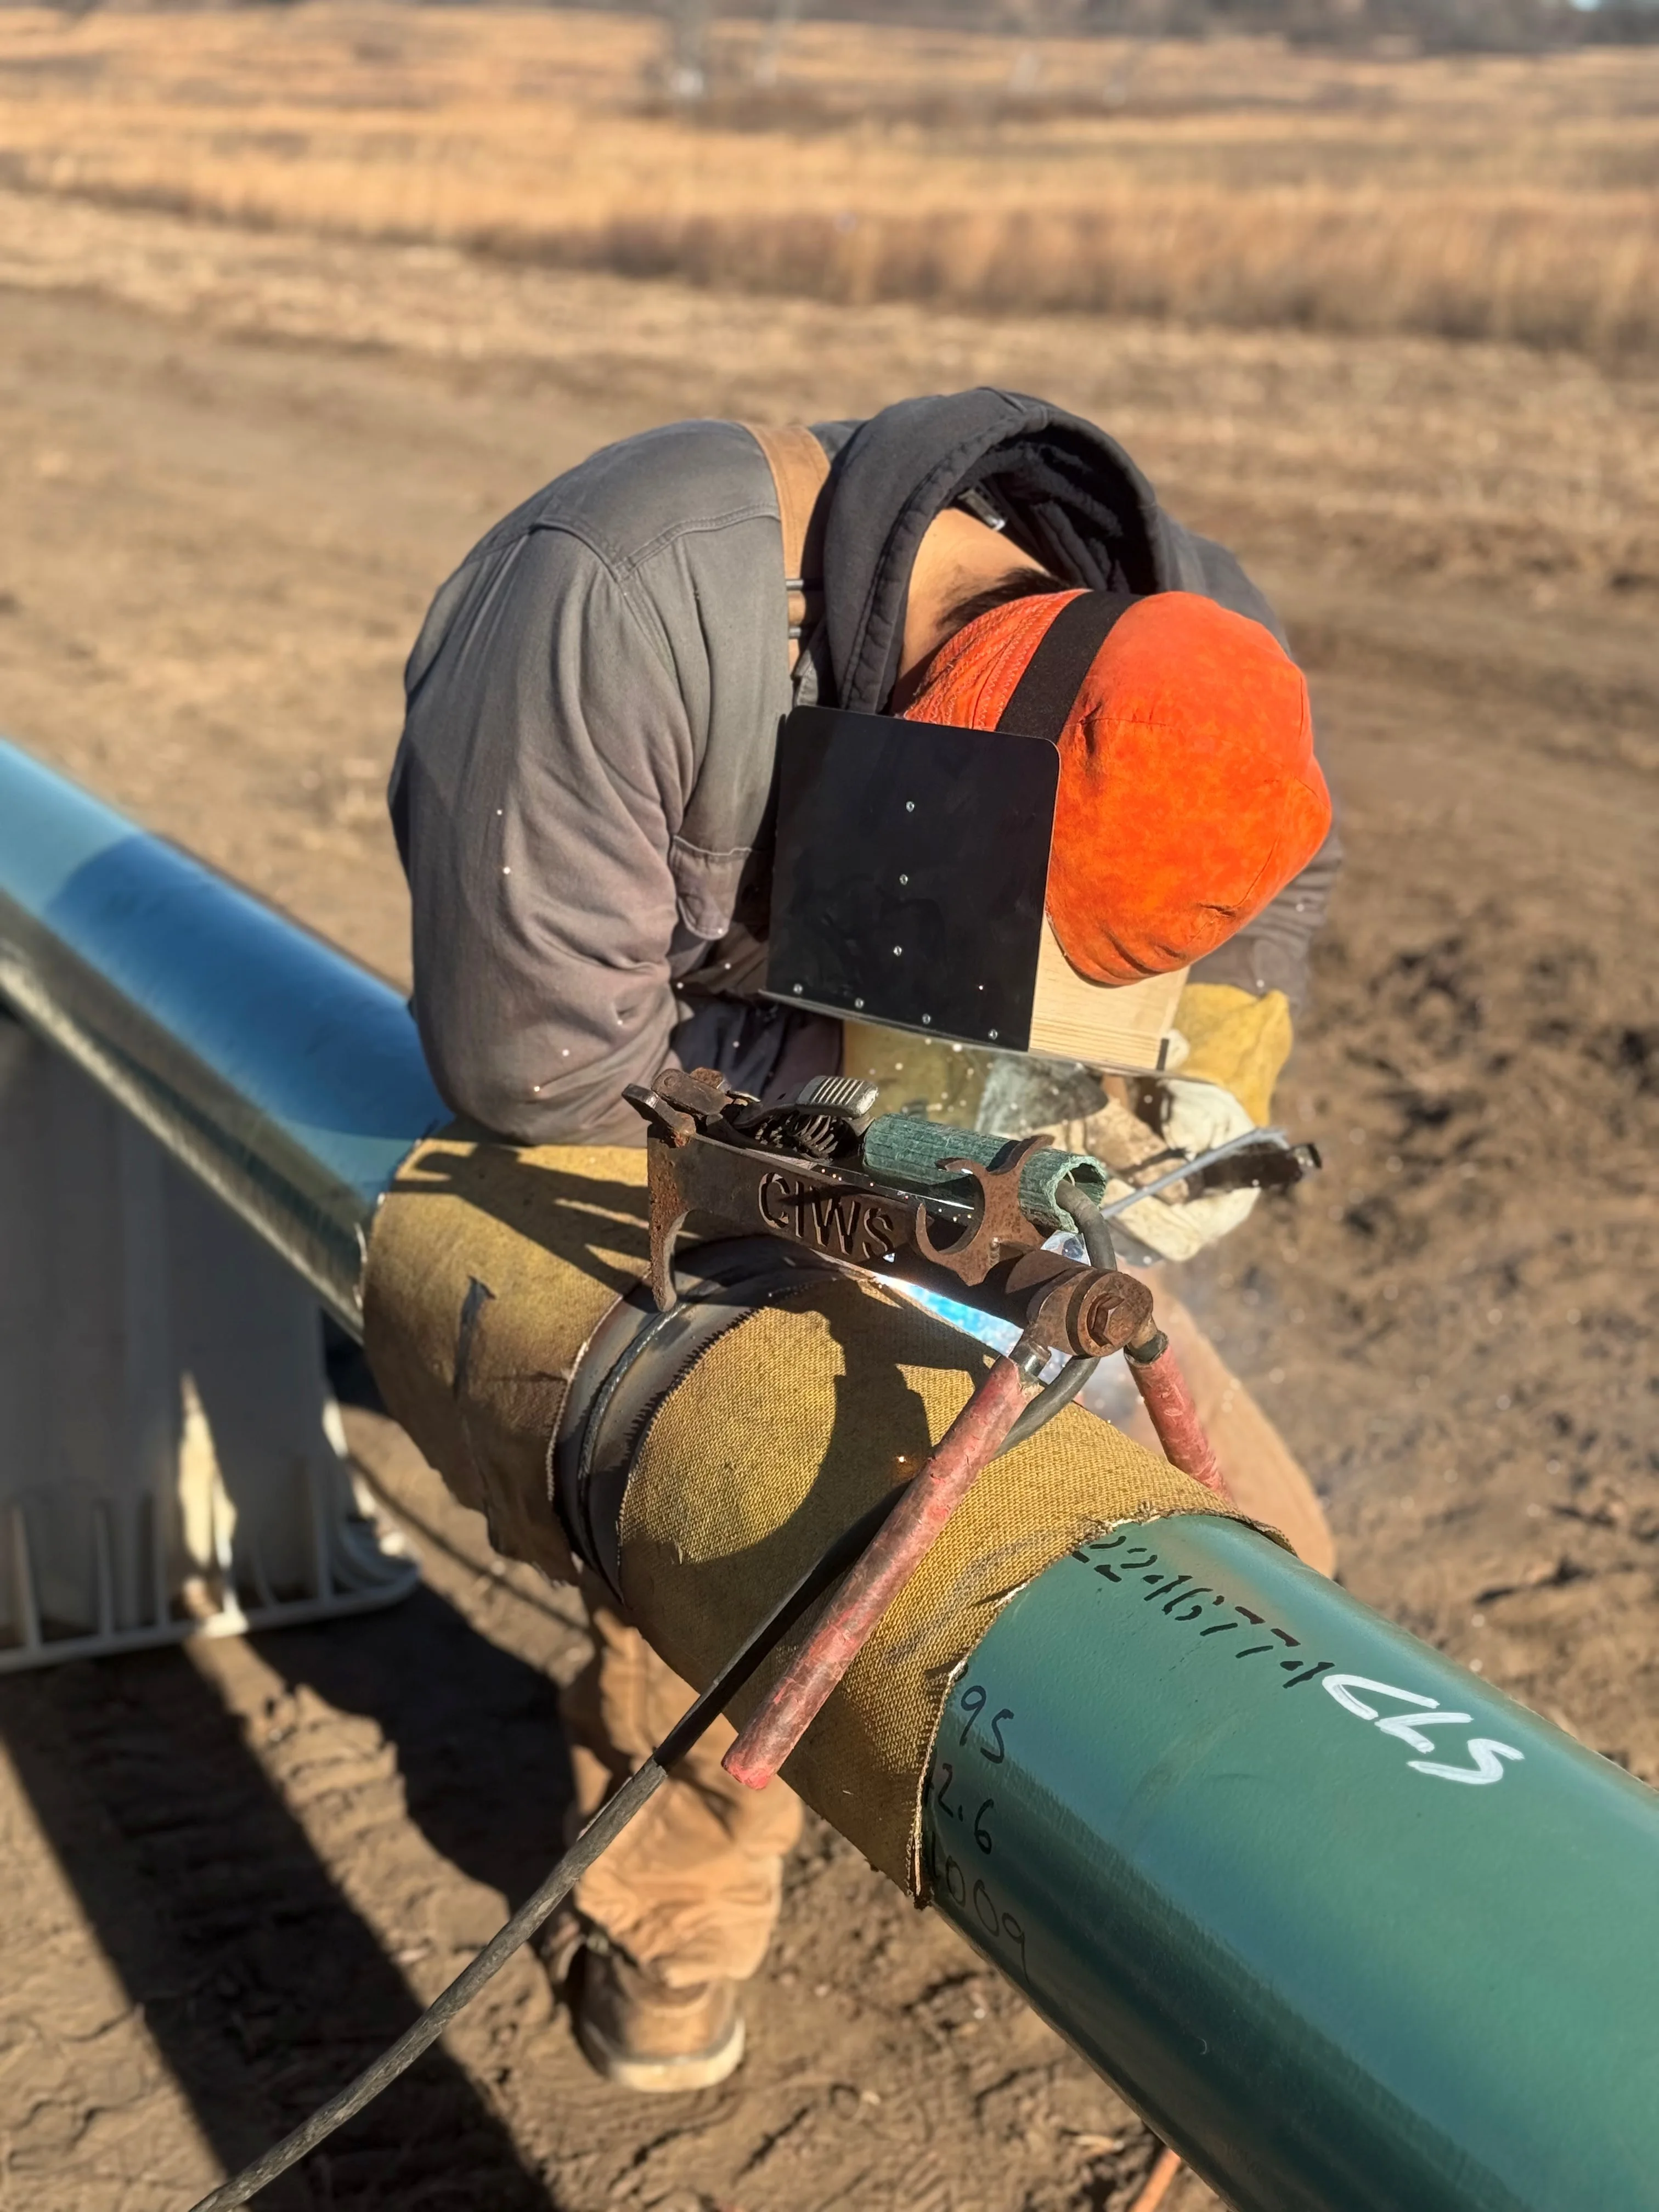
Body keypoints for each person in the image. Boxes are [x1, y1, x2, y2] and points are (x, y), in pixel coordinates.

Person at [390, 391, 1340, 2092]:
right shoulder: (625, 598)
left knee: (1273, 1553)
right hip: (661, 1095)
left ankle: (1208, 1993)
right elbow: (534, 1058)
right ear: (916, 773)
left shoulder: (1197, 632)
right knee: (755, 1493)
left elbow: (1286, 885)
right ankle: (673, 1908)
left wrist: (1213, 1066)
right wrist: (859, 1111)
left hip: (951, 1111)